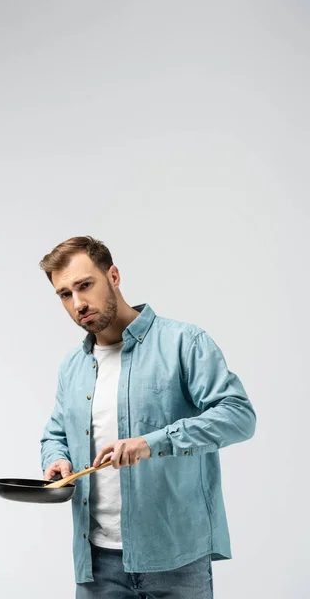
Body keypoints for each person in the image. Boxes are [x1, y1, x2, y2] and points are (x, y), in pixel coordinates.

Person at [39, 236, 256, 599]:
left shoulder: (184, 342)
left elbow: (238, 415)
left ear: (114, 276)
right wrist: (57, 459)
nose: (78, 303)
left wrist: (151, 443)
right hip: (97, 564)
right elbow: (54, 435)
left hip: (176, 557)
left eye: (85, 285)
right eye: (64, 294)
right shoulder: (73, 366)